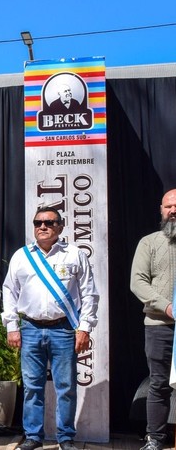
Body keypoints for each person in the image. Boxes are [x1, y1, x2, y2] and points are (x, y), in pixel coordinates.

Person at [2, 208, 99, 450]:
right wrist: (12, 326)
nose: (42, 227)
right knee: (32, 387)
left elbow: (89, 294)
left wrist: (84, 328)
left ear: (60, 227)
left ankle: (65, 437)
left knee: (65, 387)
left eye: (48, 222)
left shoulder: (74, 255)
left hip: (63, 329)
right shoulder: (21, 256)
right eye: (38, 223)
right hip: (30, 328)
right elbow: (9, 291)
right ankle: (33, 436)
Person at [130, 188, 176, 450]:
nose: (173, 211)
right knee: (159, 384)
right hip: (159, 326)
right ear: (161, 210)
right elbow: (138, 282)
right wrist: (167, 307)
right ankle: (155, 439)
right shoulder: (148, 243)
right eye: (168, 206)